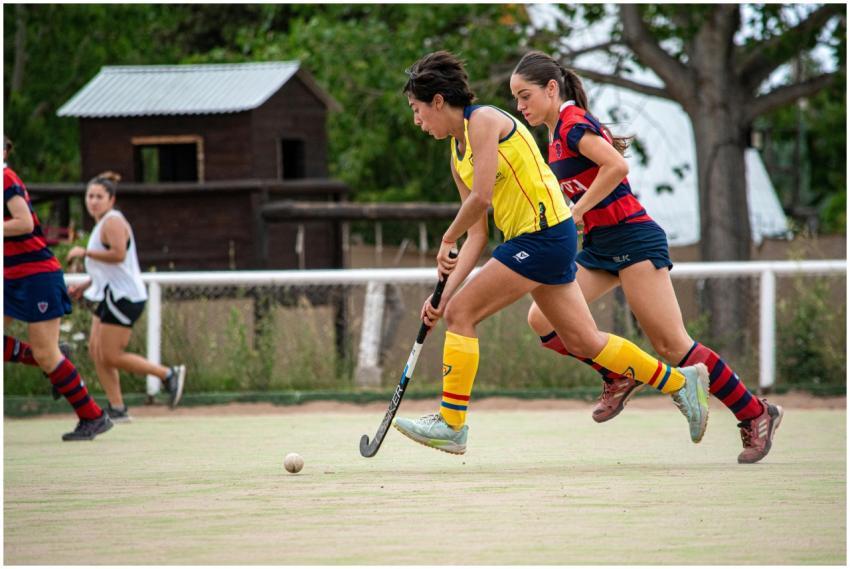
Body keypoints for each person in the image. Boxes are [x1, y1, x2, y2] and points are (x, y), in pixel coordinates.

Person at [392, 51, 711, 455]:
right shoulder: (457, 157)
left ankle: (452, 424)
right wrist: (442, 294)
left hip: (541, 235)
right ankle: (682, 382)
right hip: (543, 238)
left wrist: (444, 240)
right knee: (584, 339)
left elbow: (482, 197)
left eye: (417, 109)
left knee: (463, 314)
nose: (417, 120)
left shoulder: (484, 121)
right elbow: (477, 236)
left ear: (438, 101)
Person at [509, 51, 784, 464]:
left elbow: (616, 166)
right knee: (542, 320)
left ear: (552, 89)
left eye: (525, 95)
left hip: (635, 240)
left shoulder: (573, 124)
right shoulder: (556, 134)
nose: (520, 106)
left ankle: (756, 412)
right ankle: (615, 375)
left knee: (671, 345)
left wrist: (578, 211)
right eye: (515, 99)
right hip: (601, 247)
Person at [3, 136, 113, 440]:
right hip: (10, 276)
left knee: (47, 355)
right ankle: (51, 357)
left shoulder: (6, 177)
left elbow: (24, 223)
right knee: (45, 354)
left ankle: (93, 416)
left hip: (37, 276)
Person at [66, 172, 186, 422]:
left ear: (111, 199)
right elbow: (111, 269)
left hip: (126, 297)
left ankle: (167, 374)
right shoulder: (101, 224)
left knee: (110, 355)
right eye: (90, 196)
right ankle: (118, 409)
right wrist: (86, 284)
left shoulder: (113, 221)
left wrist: (84, 251)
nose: (94, 201)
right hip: (112, 294)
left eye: (99, 196)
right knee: (96, 351)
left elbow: (119, 255)